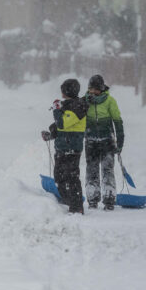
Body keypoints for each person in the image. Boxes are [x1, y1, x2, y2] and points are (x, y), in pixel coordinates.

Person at [41, 78, 88, 214]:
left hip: (71, 148)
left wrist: (56, 110)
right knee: (59, 177)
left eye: (63, 91)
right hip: (62, 147)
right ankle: (69, 200)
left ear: (67, 91)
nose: (61, 94)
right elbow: (59, 128)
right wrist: (50, 135)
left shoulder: (78, 107)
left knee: (72, 177)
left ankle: (77, 206)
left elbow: (62, 123)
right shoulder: (68, 105)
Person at [84, 74, 124, 210]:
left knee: (107, 169)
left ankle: (109, 198)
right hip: (90, 140)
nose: (93, 92)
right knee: (91, 169)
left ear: (101, 89)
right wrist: (85, 103)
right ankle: (92, 198)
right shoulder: (85, 100)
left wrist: (120, 141)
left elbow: (117, 121)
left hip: (107, 141)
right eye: (91, 89)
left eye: (96, 90)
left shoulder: (109, 101)